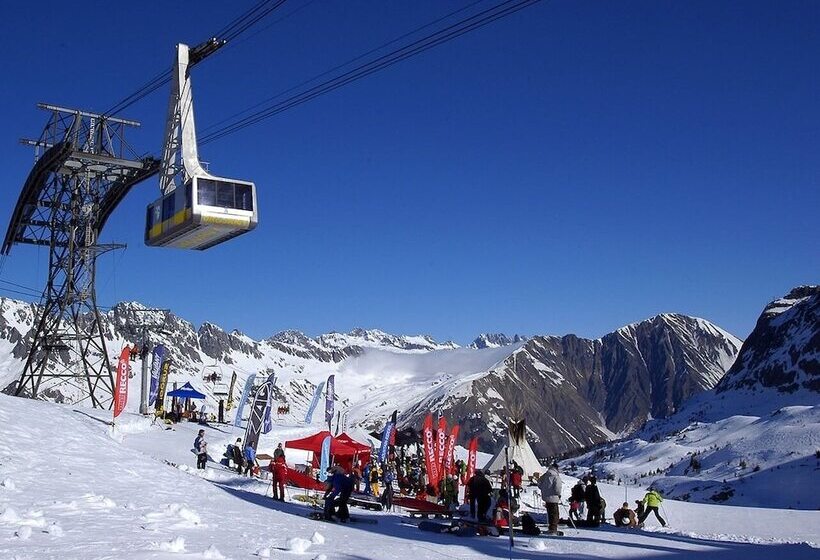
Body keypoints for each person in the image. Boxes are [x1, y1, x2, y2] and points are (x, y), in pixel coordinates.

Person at [537, 462, 562, 535]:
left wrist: (543, 489)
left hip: (546, 497)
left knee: (550, 513)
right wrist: (558, 494)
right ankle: (553, 529)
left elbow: (539, 482)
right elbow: (558, 487)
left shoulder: (546, 475)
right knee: (555, 514)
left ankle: (551, 527)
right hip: (554, 497)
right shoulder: (556, 476)